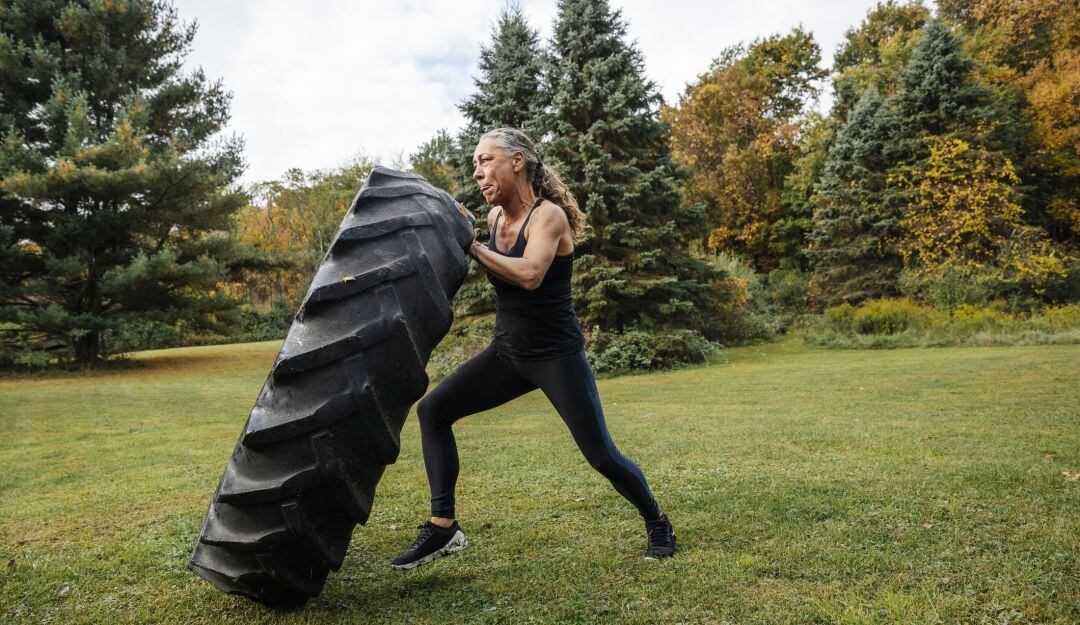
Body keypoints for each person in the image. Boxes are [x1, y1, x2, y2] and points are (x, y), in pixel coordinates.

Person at [390, 127, 675, 571]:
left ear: (517, 161)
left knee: (600, 454)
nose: (478, 171)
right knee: (434, 411)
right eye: (474, 165)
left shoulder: (549, 218)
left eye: (486, 160)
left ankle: (656, 519)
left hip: (556, 357)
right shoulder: (492, 222)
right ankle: (443, 525)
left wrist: (473, 246)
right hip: (507, 354)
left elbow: (528, 274)